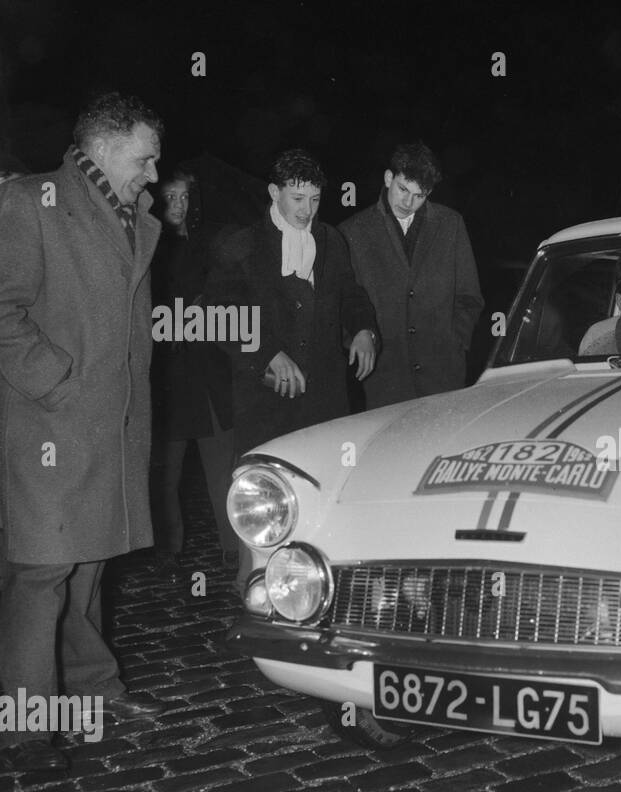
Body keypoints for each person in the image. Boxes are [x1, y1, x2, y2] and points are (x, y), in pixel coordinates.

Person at [0, 92, 168, 772]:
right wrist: (58, 382)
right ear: (101, 147)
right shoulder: (31, 203)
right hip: (49, 424)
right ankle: (25, 725)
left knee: (90, 564)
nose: (155, 174)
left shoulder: (132, 216)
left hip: (113, 426)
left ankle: (95, 694)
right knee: (43, 572)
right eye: (145, 157)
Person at [203, 149, 377, 591]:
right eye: (298, 199)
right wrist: (265, 354)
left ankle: (309, 590)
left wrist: (362, 331)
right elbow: (213, 313)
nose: (307, 211)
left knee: (319, 493)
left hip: (324, 400)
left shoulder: (333, 241)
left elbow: (352, 295)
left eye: (315, 200)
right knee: (262, 498)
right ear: (274, 192)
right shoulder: (240, 244)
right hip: (263, 401)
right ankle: (255, 589)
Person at [339, 143, 483, 408]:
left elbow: (470, 297)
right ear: (388, 178)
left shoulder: (451, 224)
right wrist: (360, 339)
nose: (408, 202)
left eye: (419, 195)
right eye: (403, 189)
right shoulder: (352, 232)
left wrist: (455, 343)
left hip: (445, 379)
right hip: (385, 382)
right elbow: (345, 304)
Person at [149, 169, 238, 578]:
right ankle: (168, 548)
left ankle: (233, 549)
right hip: (167, 381)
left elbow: (233, 302)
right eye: (170, 197)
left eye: (185, 197)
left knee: (223, 473)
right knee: (166, 474)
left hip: (208, 381)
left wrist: (212, 304)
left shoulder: (210, 246)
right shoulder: (147, 244)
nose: (178, 206)